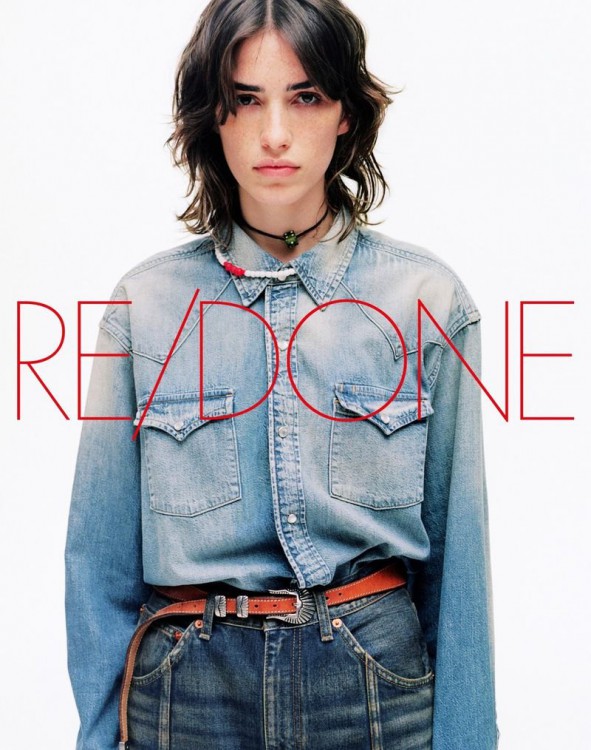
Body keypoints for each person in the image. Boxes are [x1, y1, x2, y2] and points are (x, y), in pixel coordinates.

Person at [65, 1, 499, 748]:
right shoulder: (145, 306)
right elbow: (98, 565)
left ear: (345, 114)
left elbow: (459, 563)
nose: (274, 134)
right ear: (212, 117)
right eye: (245, 99)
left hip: (372, 690)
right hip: (188, 696)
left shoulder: (426, 301)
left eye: (305, 96)